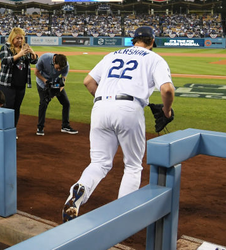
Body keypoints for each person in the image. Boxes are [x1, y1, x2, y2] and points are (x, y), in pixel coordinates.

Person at [62, 26, 175, 222]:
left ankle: (78, 192)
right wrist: (167, 111)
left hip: (100, 106)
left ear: (134, 40)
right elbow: (166, 90)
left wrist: (105, 102)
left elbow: (88, 81)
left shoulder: (112, 55)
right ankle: (121, 216)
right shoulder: (154, 58)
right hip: (129, 108)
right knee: (132, 166)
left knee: (99, 163)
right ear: (151, 42)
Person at [0, 28, 38, 128]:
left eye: (22, 38)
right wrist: (19, 55)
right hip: (7, 84)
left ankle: (12, 129)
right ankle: (4, 128)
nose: (20, 40)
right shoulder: (5, 48)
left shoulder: (24, 48)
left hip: (21, 84)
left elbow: (34, 61)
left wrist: (33, 54)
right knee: (8, 107)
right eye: (17, 38)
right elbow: (4, 61)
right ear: (12, 38)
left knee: (17, 107)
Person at [34, 53, 79, 136]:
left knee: (66, 103)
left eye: (61, 69)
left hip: (55, 83)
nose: (59, 70)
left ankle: (65, 126)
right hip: (42, 82)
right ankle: (40, 127)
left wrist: (56, 92)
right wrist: (45, 81)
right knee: (44, 103)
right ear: (54, 62)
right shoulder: (44, 58)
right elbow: (36, 72)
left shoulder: (66, 66)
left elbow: (63, 82)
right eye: (58, 68)